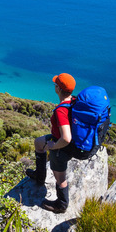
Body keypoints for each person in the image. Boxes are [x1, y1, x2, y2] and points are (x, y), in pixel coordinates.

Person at [25, 73, 77, 213]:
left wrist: (54, 146)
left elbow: (66, 138)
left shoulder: (61, 110)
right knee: (38, 142)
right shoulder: (74, 101)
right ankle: (40, 176)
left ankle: (61, 205)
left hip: (62, 146)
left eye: (56, 85)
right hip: (57, 138)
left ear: (58, 89)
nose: (54, 86)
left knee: (60, 178)